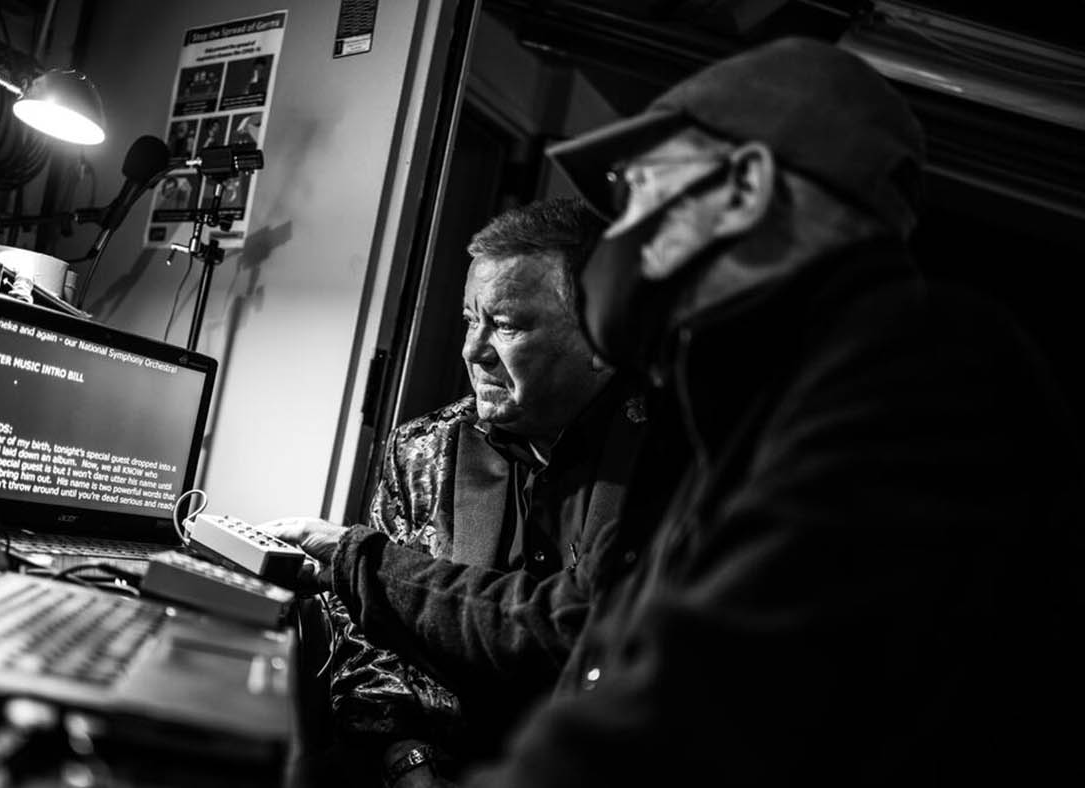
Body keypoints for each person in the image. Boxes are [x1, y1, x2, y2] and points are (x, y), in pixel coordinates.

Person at [267, 36, 1085, 785]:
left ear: (745, 187)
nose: (622, 231)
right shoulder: (748, 410)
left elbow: (698, 706)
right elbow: (610, 641)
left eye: (638, 189)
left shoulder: (920, 369)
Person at [308, 197, 641, 786]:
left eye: (506, 325)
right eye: (469, 318)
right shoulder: (422, 449)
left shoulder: (665, 457)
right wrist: (406, 756)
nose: (472, 349)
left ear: (600, 339)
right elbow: (370, 636)